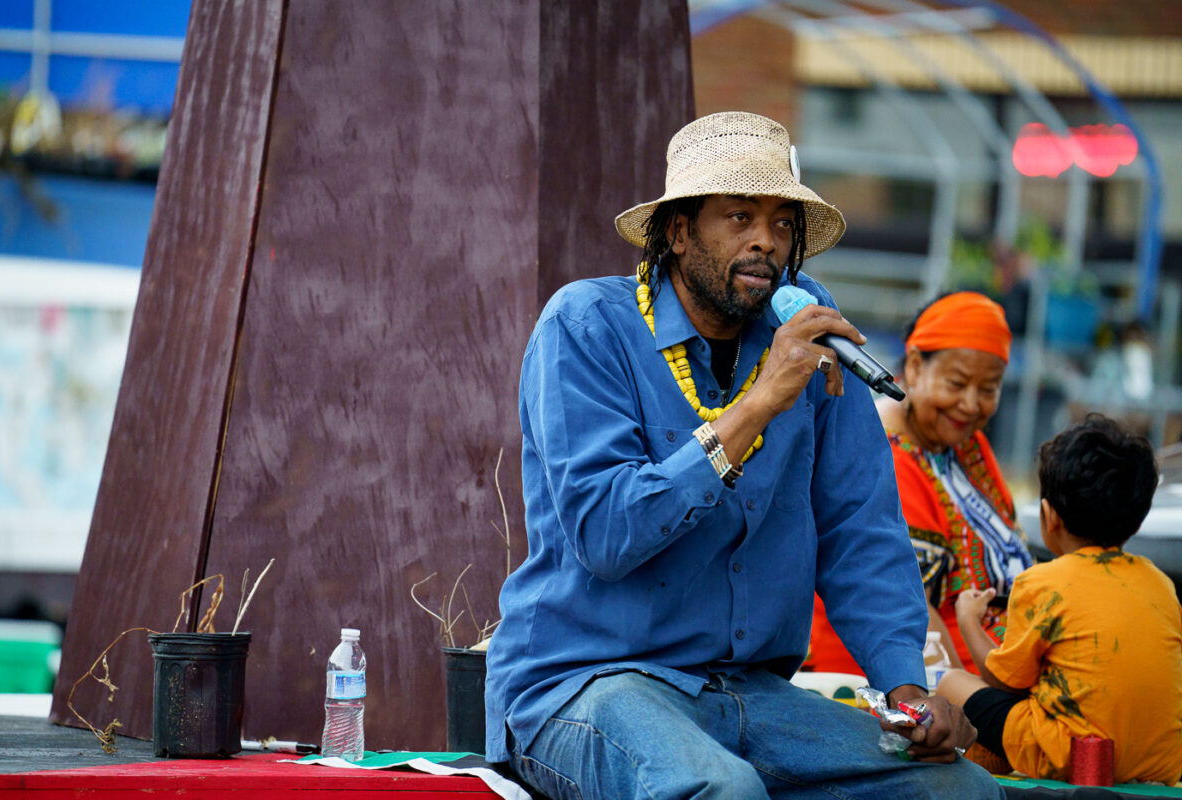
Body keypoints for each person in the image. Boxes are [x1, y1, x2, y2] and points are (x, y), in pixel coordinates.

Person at [484, 111, 998, 799]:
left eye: (783, 223)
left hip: (747, 691)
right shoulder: (586, 325)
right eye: (738, 217)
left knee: (955, 792)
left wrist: (907, 689)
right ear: (677, 231)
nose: (766, 242)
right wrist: (759, 403)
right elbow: (607, 534)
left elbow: (860, 532)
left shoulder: (807, 335)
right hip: (587, 682)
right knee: (718, 791)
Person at [937, 415, 1182, 783]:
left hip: (1075, 756)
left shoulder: (1042, 582)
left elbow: (1006, 682)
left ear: (1049, 516)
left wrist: (969, 618)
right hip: (1160, 763)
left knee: (950, 683)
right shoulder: (1161, 585)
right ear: (1137, 518)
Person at [807, 292, 1034, 676]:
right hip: (934, 682)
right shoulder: (887, 455)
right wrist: (982, 705)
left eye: (988, 389)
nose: (970, 404)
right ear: (914, 367)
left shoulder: (965, 444)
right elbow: (911, 612)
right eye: (957, 383)